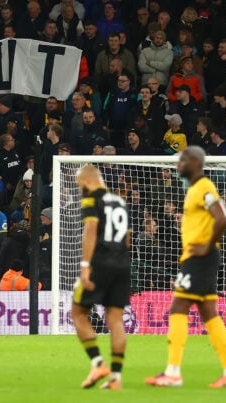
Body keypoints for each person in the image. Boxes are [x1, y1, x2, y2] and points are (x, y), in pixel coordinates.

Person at [147, 146, 226, 388]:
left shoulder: (204, 187)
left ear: (196, 163)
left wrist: (206, 245)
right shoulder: (192, 190)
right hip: (200, 257)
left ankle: (173, 371)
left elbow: (222, 218)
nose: (178, 164)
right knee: (209, 312)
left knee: (178, 305)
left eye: (183, 160)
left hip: (200, 256)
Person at [73, 164, 132, 390]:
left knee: (78, 313)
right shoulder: (120, 202)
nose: (80, 189)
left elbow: (90, 229)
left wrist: (86, 265)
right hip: (122, 263)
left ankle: (98, 363)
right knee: (115, 320)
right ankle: (116, 378)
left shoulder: (91, 199)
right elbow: (127, 239)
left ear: (87, 181)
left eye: (80, 185)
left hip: (100, 263)